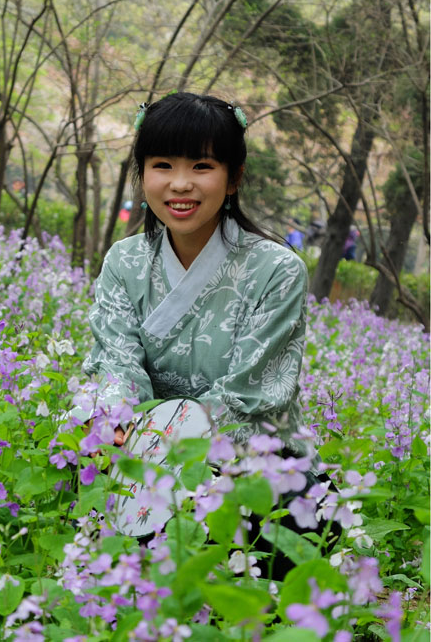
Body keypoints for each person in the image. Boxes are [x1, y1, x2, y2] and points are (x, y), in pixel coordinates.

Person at [83, 92, 312, 463]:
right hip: (138, 452)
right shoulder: (123, 262)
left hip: (248, 461)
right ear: (142, 174)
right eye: (163, 165)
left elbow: (247, 397)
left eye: (201, 166)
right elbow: (117, 364)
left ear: (233, 178)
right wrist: (116, 423)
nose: (180, 184)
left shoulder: (278, 270)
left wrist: (157, 443)